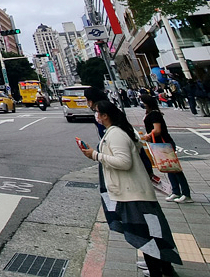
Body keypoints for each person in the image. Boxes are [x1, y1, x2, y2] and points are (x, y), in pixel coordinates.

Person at [79, 100, 181, 277]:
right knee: (153, 233)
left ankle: (158, 271)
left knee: (145, 234)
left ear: (105, 115)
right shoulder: (121, 130)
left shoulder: (116, 134)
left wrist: (95, 155)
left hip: (133, 193)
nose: (95, 115)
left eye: (97, 112)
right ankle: (165, 268)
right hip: (135, 191)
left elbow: (124, 162)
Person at [139, 95, 193, 203]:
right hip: (158, 144)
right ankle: (176, 191)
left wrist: (148, 136)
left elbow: (157, 130)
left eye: (143, 102)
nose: (141, 104)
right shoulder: (151, 113)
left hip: (164, 143)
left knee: (175, 169)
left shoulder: (154, 114)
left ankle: (186, 194)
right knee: (168, 168)